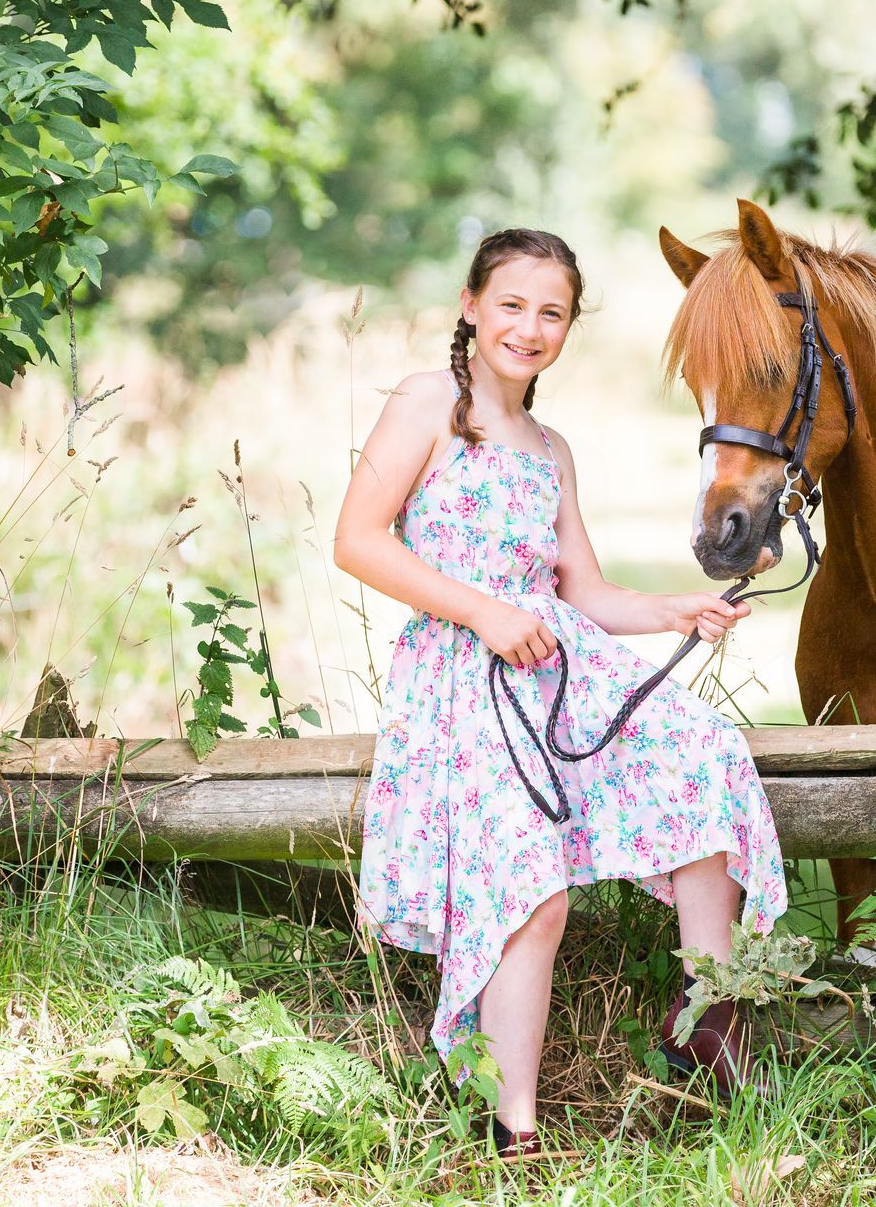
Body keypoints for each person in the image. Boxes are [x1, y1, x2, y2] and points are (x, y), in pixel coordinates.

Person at [333, 228, 788, 1159]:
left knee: (706, 756)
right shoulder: (428, 404)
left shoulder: (551, 446)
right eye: (512, 305)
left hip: (557, 661)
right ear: (470, 306)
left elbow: (581, 589)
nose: (529, 329)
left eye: (552, 313)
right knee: (534, 895)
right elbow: (358, 540)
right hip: (463, 677)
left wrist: (674, 609)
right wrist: (484, 614)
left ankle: (709, 1008)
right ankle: (516, 1129)